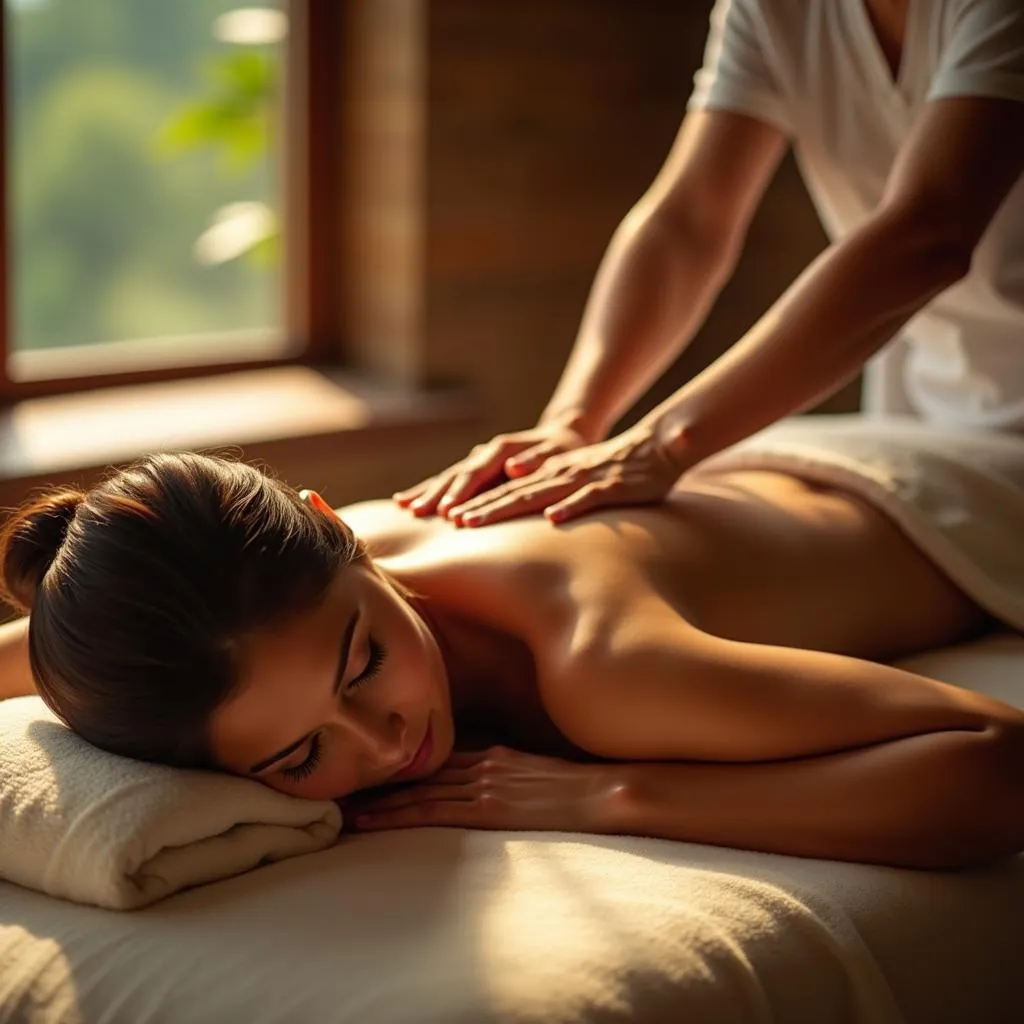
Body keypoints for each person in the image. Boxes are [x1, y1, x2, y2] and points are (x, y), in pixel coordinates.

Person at [1, 426, 1023, 872]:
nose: (380, 738)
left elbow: (995, 761)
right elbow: (54, 640)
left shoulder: (603, 671)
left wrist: (609, 795)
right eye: (299, 758)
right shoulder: (300, 580)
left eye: (361, 666)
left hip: (962, 507)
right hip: (770, 480)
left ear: (335, 526)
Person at [394, 0, 1024, 528]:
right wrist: (574, 421)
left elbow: (926, 236)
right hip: (923, 415)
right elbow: (687, 223)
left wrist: (664, 444)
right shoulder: (774, 9)